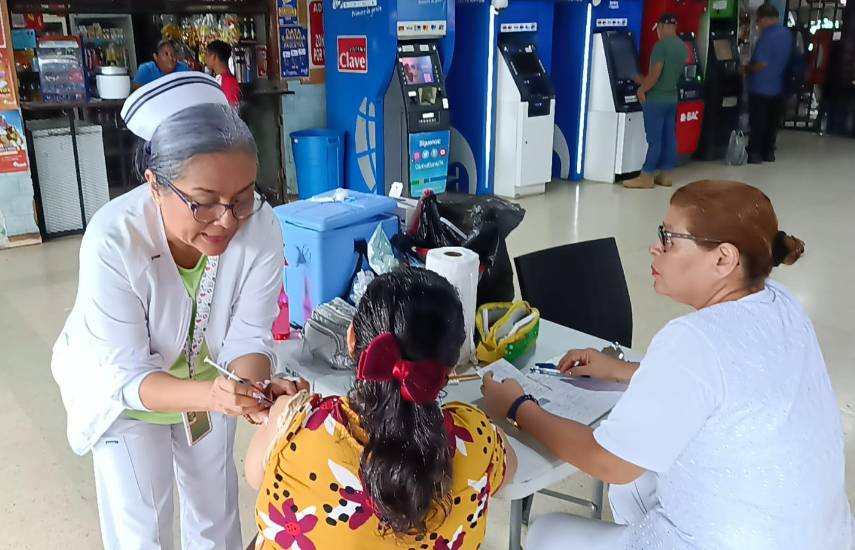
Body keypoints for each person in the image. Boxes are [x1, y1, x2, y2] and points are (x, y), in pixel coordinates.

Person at [481, 180, 854, 549]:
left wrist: (516, 406)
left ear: (723, 258)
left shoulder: (693, 338)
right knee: (636, 485)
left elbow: (610, 463)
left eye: (669, 238)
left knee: (549, 533)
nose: (654, 247)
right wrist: (621, 371)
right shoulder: (780, 302)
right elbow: (735, 385)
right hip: (818, 536)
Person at [51, 72, 297, 549]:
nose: (227, 221)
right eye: (204, 203)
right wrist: (215, 397)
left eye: (242, 197)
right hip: (126, 397)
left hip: (211, 390)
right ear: (155, 186)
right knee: (143, 530)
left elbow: (249, 333)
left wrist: (252, 389)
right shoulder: (114, 240)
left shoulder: (260, 225)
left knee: (216, 518)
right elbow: (126, 377)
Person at [245, 268, 518, 550]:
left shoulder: (293, 425)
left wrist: (293, 407)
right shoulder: (475, 438)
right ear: (449, 369)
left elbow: (254, 476)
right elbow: (509, 471)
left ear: (352, 339)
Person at [624, 14, 685, 190]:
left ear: (662, 26)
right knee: (669, 136)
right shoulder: (682, 46)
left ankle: (647, 175)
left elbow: (656, 74)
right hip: (672, 98)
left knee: (654, 139)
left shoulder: (661, 47)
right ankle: (666, 174)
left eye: (657, 28)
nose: (657, 32)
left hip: (656, 99)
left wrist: (641, 88)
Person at [744, 4, 793, 164]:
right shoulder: (787, 34)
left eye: (758, 21)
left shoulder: (767, 36)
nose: (757, 25)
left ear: (765, 19)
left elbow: (761, 64)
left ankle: (755, 153)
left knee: (758, 122)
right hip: (778, 87)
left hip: (760, 87)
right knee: (772, 123)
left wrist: (745, 68)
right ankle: (768, 152)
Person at [205, 40, 241, 107]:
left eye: (207, 55)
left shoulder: (228, 81)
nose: (205, 59)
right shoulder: (220, 79)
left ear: (214, 56)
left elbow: (231, 112)